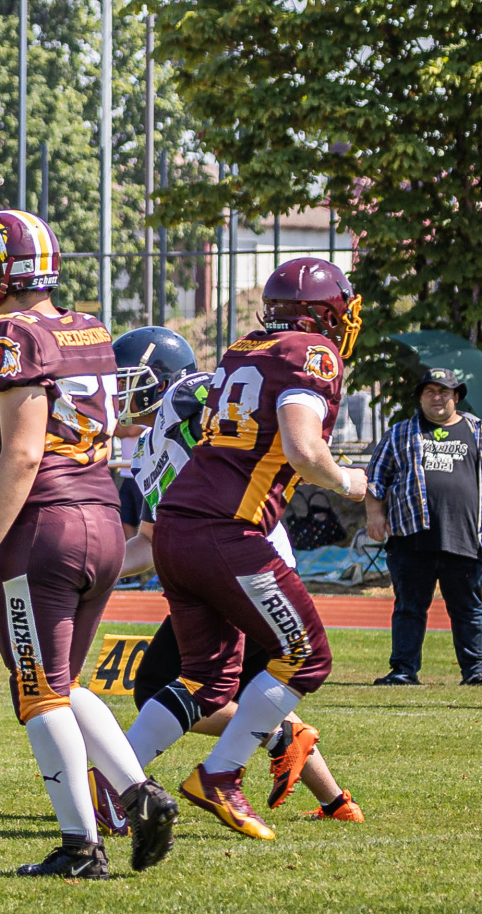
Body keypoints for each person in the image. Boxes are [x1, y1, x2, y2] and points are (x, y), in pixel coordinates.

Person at [0, 210, 177, 879]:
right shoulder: (89, 327)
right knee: (62, 683)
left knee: (37, 692)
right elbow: (73, 433)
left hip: (46, 530)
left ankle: (80, 847)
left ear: (1, 272)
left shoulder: (9, 334)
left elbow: (26, 454)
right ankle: (138, 794)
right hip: (102, 518)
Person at [148, 257, 367, 842]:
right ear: (325, 314)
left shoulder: (245, 348)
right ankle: (220, 773)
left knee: (203, 680)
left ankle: (115, 784)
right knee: (307, 658)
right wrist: (351, 482)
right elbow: (303, 450)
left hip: (176, 523)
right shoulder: (313, 354)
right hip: (229, 529)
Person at [365, 365, 482, 685]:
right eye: (430, 391)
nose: (437, 397)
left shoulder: (476, 430)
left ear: (456, 396)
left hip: (465, 538)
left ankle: (476, 671)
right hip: (410, 537)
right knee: (409, 608)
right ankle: (403, 671)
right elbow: (375, 478)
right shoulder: (400, 432)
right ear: (420, 397)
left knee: (469, 609)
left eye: (444, 392)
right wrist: (375, 515)